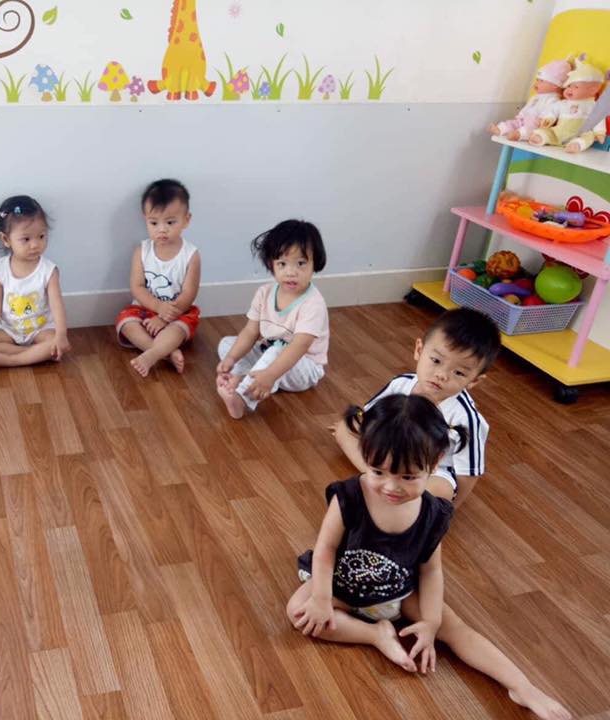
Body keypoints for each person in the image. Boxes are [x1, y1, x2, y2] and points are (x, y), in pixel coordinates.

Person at [288, 395, 569, 720]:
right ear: (365, 455)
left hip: (400, 591)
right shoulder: (349, 496)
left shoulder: (433, 513)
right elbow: (325, 550)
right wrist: (322, 600)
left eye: (407, 477)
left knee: (457, 629)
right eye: (378, 471)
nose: (391, 486)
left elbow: (431, 571)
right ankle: (375, 635)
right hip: (342, 585)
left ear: (434, 464)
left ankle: (523, 687)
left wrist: (431, 622)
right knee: (299, 612)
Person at [331, 308, 500, 505]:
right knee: (344, 427)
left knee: (441, 489)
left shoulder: (466, 418)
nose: (441, 375)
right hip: (389, 453)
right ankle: (381, 478)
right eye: (436, 361)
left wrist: (450, 510)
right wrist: (355, 428)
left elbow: (468, 474)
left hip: (431, 472)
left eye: (459, 373)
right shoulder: (401, 383)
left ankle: (383, 480)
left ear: (474, 381)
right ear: (419, 350)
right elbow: (369, 417)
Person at [216, 219, 328, 419]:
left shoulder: (313, 303)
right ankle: (245, 378)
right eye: (282, 264)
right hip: (268, 353)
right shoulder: (264, 293)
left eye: (301, 263)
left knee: (277, 351)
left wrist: (270, 375)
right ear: (272, 265)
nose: (291, 272)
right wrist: (231, 358)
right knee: (227, 344)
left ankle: (242, 398)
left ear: (315, 264)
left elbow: (300, 346)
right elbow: (250, 332)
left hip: (302, 367)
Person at [114, 178, 201, 377]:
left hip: (178, 311)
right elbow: (137, 287)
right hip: (145, 309)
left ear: (186, 220)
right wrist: (157, 307)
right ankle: (165, 352)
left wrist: (164, 317)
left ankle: (152, 355)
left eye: (170, 222)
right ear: (145, 219)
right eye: (154, 223)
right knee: (126, 323)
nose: (162, 229)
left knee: (177, 330)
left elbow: (189, 294)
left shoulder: (191, 255)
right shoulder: (142, 250)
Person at [0, 195, 70, 366]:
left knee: (54, 343)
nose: (35, 244)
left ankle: (12, 359)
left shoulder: (49, 271)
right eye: (26, 239)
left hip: (40, 330)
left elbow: (57, 306)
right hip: (9, 330)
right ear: (6, 239)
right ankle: (33, 354)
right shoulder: (0, 269)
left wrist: (61, 335)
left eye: (41, 236)